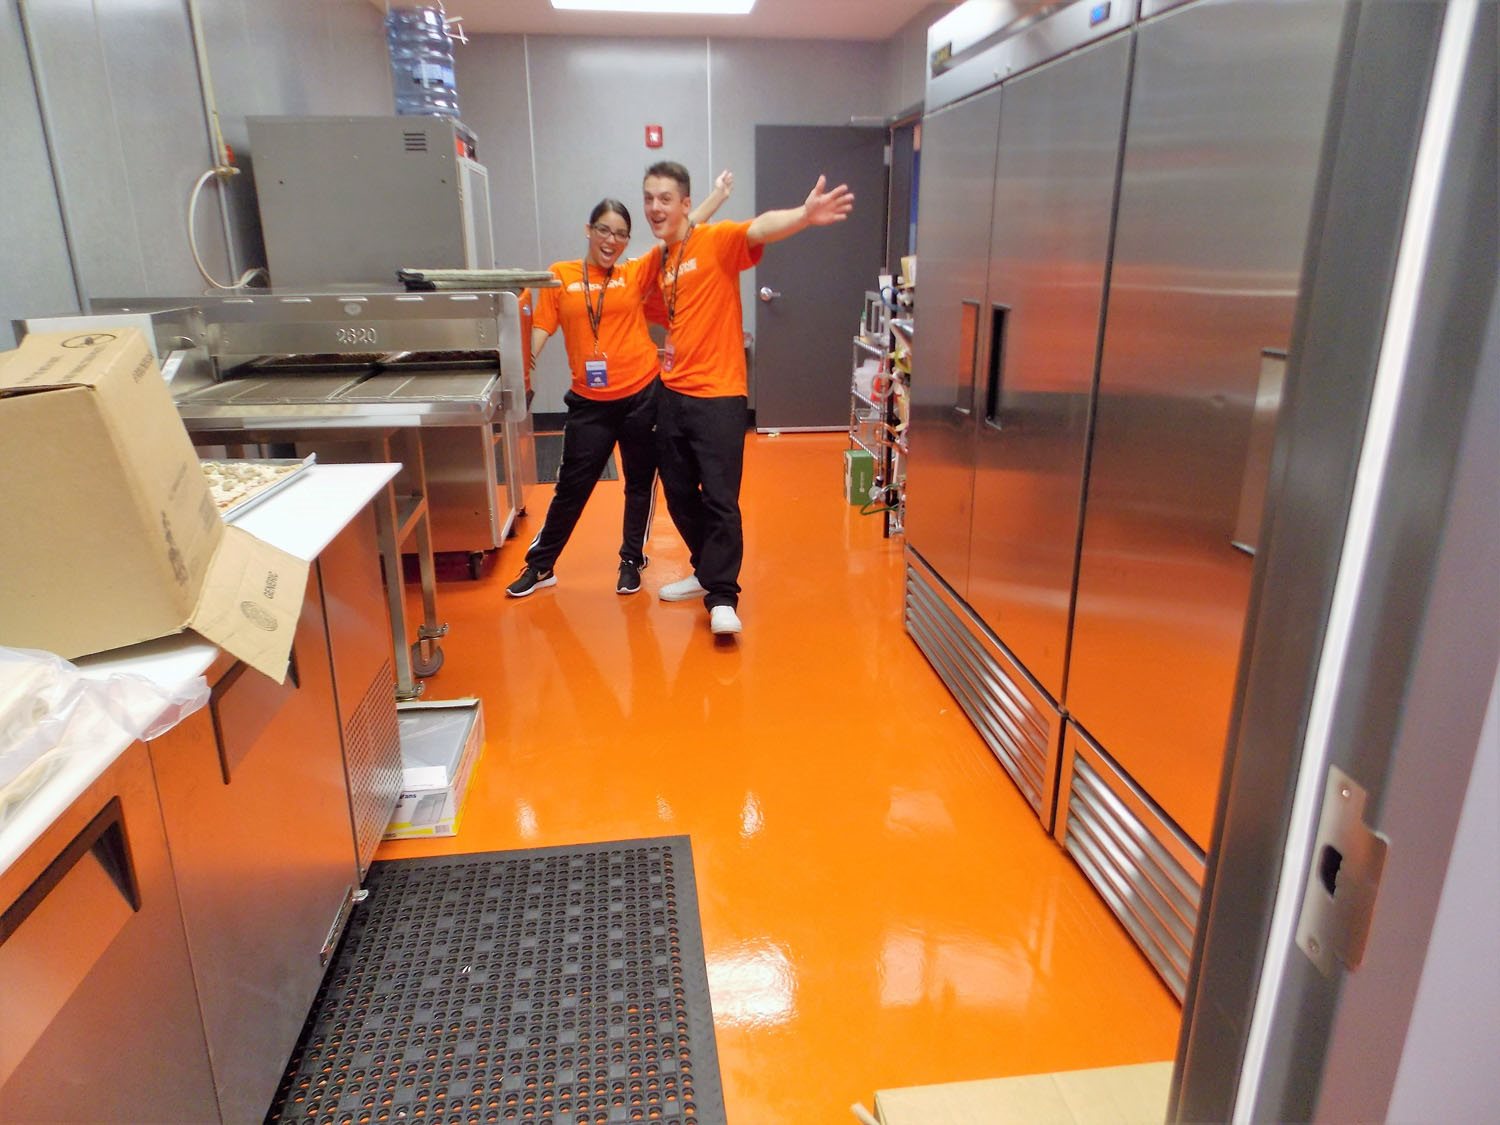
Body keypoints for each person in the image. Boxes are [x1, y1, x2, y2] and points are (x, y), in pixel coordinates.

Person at [641, 161, 854, 635]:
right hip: (672, 391)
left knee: (720, 498)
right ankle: (705, 568)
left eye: (665, 198)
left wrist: (803, 215)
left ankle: (721, 596)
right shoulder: (663, 261)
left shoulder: (715, 241)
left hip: (719, 395)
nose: (655, 207)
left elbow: (759, 228)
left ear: (685, 204)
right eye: (649, 198)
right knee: (677, 493)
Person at [507, 179, 731, 598]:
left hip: (643, 396)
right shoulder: (560, 275)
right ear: (588, 230)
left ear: (628, 241)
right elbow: (541, 326)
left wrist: (716, 196)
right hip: (589, 403)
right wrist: (522, 367)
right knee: (572, 487)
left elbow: (682, 236)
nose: (611, 240)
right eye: (604, 230)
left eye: (621, 234)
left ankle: (631, 560)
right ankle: (540, 566)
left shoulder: (634, 273)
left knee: (640, 484)